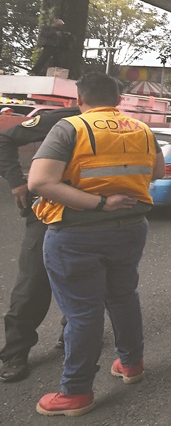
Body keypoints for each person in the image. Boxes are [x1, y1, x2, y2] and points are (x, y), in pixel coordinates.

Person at [27, 72, 163, 417]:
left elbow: (40, 181)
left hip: (77, 234)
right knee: (123, 297)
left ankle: (75, 392)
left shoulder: (71, 128)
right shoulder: (142, 130)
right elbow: (157, 172)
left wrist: (99, 202)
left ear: (79, 99)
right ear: (119, 100)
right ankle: (131, 365)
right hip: (131, 228)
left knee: (83, 313)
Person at [0, 107, 80, 384]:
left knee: (83, 280)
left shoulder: (115, 127)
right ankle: (15, 352)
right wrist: (16, 183)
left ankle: (73, 336)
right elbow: (5, 139)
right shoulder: (59, 119)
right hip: (47, 211)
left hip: (91, 215)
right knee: (32, 284)